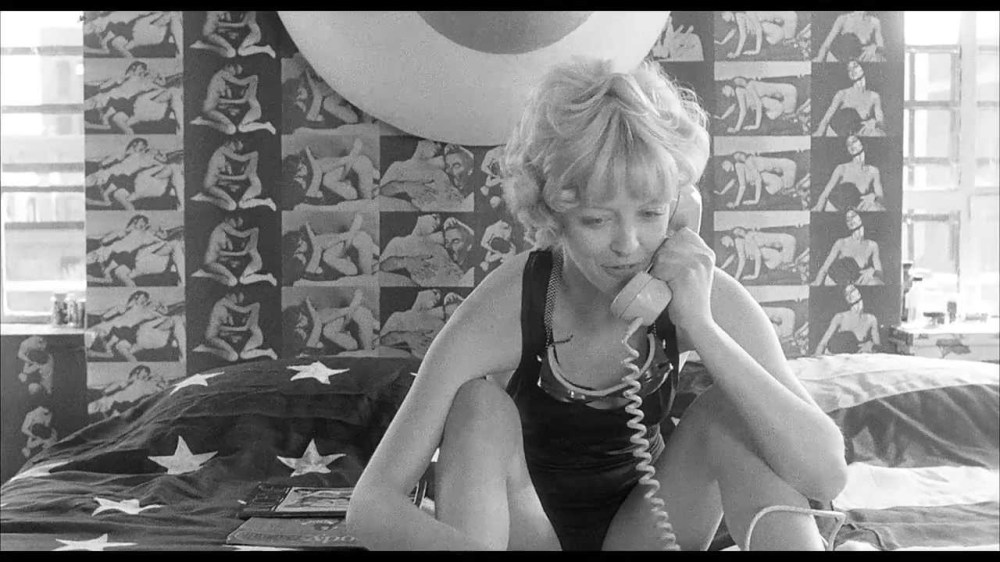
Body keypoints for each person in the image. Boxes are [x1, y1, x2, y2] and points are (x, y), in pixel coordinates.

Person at [346, 58, 847, 551]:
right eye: (596, 220)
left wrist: (701, 325)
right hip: (527, 535)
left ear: (679, 209)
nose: (628, 245)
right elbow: (371, 504)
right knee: (477, 406)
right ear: (552, 212)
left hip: (644, 534)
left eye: (650, 214)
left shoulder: (700, 291)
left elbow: (825, 474)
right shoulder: (510, 302)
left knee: (735, 413)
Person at [87, 214, 185, 286]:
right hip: (104, 255)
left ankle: (104, 274)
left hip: (123, 259)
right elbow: (102, 239)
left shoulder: (147, 235)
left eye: (145, 223)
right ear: (134, 221)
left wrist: (164, 235)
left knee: (124, 261)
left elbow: (163, 240)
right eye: (140, 221)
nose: (143, 223)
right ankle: (102, 274)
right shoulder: (121, 232)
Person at [282, 139, 378, 209]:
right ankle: (370, 192)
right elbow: (317, 174)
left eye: (302, 164)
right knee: (327, 179)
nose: (304, 167)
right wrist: (309, 155)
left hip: (347, 179)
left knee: (328, 171)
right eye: (300, 169)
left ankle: (353, 161)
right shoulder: (306, 194)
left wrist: (346, 160)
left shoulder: (308, 172)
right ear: (295, 176)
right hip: (350, 193)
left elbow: (328, 167)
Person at [283, 213, 378, 285]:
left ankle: (352, 236)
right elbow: (317, 250)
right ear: (295, 251)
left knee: (358, 240)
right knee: (327, 256)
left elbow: (320, 245)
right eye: (300, 244)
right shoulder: (307, 271)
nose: (304, 243)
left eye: (302, 240)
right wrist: (309, 230)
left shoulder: (309, 250)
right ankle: (352, 234)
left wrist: (344, 236)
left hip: (346, 255)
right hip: (350, 268)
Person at [285, 289, 378, 357]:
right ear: (296, 326)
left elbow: (326, 319)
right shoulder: (306, 345)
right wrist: (309, 306)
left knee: (358, 313)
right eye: (301, 319)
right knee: (327, 330)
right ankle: (369, 345)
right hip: (348, 344)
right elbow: (318, 325)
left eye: (303, 315)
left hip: (347, 333)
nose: (305, 318)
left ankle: (356, 313)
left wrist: (349, 310)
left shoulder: (312, 324)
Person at [191, 62, 276, 135]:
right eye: (234, 70)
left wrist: (253, 77)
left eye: (236, 73)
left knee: (240, 127)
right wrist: (228, 105)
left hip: (255, 110)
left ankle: (266, 125)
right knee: (239, 128)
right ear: (229, 66)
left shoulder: (251, 90)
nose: (233, 74)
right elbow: (238, 85)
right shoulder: (222, 74)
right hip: (210, 108)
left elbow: (243, 98)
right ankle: (265, 125)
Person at [193, 138, 275, 211]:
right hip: (210, 185)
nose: (234, 150)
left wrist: (225, 177)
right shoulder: (222, 149)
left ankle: (266, 202)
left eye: (237, 149)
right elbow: (238, 161)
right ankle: (204, 197)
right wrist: (226, 178)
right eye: (235, 146)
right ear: (230, 142)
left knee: (238, 204)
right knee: (237, 204)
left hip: (255, 186)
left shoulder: (253, 157)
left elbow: (243, 171)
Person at [192, 215, 277, 286]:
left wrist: (229, 252)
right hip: (210, 261)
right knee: (236, 280)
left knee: (237, 280)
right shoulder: (223, 226)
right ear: (228, 218)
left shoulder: (251, 242)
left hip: (256, 263)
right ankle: (204, 274)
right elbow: (240, 235)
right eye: (235, 222)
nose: (235, 226)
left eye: (237, 225)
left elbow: (240, 247)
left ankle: (204, 274)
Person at [194, 290, 277, 362]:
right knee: (237, 355)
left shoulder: (254, 310)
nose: (235, 302)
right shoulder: (223, 301)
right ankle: (205, 348)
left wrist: (228, 329)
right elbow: (240, 310)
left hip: (255, 336)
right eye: (236, 299)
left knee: (238, 355)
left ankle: (268, 352)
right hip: (212, 336)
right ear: (231, 295)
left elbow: (244, 326)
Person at [812, 135, 884, 212]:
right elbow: (825, 194)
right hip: (832, 208)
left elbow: (881, 197)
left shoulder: (873, 171)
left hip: (856, 210)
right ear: (849, 151)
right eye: (853, 149)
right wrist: (817, 212)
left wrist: (874, 196)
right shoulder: (842, 169)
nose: (860, 156)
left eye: (860, 149)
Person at [812, 210, 883, 286]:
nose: (851, 220)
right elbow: (825, 268)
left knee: (875, 282)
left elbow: (880, 274)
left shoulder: (872, 245)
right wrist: (816, 284)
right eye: (848, 219)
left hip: (857, 283)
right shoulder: (841, 243)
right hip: (835, 283)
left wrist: (872, 271)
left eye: (853, 215)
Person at [814, 61, 885, 138]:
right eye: (849, 70)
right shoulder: (842, 94)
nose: (852, 70)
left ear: (863, 67)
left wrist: (875, 123)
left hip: (861, 135)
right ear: (848, 75)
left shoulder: (874, 96)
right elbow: (826, 119)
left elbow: (881, 122)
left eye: (855, 66)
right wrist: (818, 134)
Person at [814, 284, 880, 355]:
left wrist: (871, 346)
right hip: (838, 357)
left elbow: (877, 347)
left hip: (858, 358)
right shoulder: (840, 317)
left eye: (859, 300)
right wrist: (816, 357)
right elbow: (823, 343)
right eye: (856, 303)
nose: (858, 305)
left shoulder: (871, 319)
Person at [718, 227, 800, 282]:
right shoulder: (742, 242)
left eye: (739, 231)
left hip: (788, 241)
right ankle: (792, 266)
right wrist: (722, 267)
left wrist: (754, 275)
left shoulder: (747, 238)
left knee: (787, 265)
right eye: (737, 233)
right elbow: (734, 256)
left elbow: (750, 257)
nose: (724, 244)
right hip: (777, 252)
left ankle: (794, 266)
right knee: (783, 265)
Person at [86, 11, 182, 57]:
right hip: (142, 31)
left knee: (173, 15)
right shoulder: (112, 36)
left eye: (91, 26)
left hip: (146, 27)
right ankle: (180, 53)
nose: (95, 30)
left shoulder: (111, 21)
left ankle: (180, 53)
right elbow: (115, 49)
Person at [190, 11, 276, 58]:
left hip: (254, 34)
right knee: (232, 52)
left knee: (240, 51)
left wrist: (221, 25)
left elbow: (242, 24)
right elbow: (213, 26)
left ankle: (266, 48)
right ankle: (203, 45)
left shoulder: (251, 12)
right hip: (210, 33)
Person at [814, 12, 885, 63]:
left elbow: (881, 46)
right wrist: (819, 59)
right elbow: (826, 44)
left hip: (855, 62)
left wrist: (874, 47)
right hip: (835, 59)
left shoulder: (875, 22)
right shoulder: (843, 19)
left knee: (878, 59)